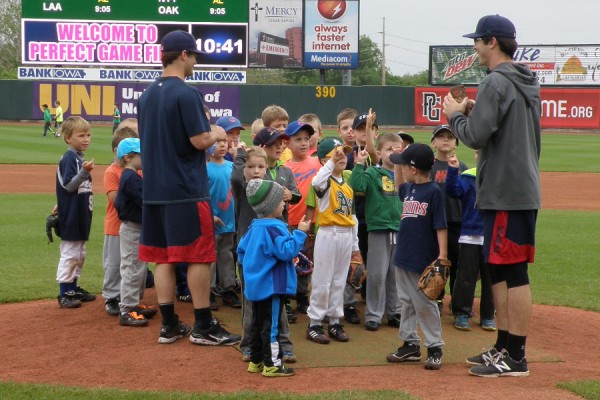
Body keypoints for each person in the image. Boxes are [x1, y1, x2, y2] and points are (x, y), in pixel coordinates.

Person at [443, 14, 541, 377]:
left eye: (478, 40)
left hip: (506, 193)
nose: (475, 46)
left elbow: (475, 137)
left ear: (492, 42)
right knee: (499, 269)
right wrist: (472, 110)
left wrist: (455, 116)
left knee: (513, 271)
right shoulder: (521, 79)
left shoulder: (496, 81)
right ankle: (503, 346)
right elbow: (497, 125)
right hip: (513, 190)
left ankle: (516, 356)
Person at [137, 30, 240, 345]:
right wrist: (215, 130)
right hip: (185, 189)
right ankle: (203, 326)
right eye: (194, 55)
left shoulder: (146, 95)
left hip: (154, 190)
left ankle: (169, 325)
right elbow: (198, 141)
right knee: (199, 257)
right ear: (183, 55)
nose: (195, 61)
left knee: (164, 257)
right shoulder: (187, 93)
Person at [232, 131, 300, 363]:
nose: (256, 171)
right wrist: (242, 154)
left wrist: (291, 196)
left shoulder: (276, 179)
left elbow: (294, 197)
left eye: (261, 167)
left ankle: (283, 343)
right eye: (251, 167)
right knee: (251, 303)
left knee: (276, 303)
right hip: (251, 254)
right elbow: (235, 175)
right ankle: (249, 344)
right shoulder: (244, 187)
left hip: (273, 251)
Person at [237, 179, 310, 377]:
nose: (284, 204)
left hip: (256, 285)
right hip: (272, 285)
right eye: (280, 202)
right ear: (269, 206)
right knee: (272, 326)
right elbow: (287, 251)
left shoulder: (253, 227)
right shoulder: (275, 227)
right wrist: (300, 234)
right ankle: (273, 364)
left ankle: (257, 361)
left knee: (257, 324)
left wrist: (255, 268)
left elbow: (241, 253)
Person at [386, 143, 447, 370]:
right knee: (406, 302)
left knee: (424, 303)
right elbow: (398, 183)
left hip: (423, 258)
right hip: (403, 255)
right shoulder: (410, 189)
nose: (400, 167)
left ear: (413, 169)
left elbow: (441, 226)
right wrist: (397, 164)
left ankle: (434, 347)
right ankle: (410, 344)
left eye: (403, 165)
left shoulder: (433, 192)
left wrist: (442, 255)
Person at [306, 137, 358, 345]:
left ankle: (335, 321)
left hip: (345, 235)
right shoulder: (324, 182)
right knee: (322, 280)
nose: (341, 157)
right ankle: (315, 323)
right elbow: (316, 182)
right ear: (323, 161)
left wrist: (356, 246)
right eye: (335, 154)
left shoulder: (347, 185)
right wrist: (329, 164)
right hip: (328, 232)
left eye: (343, 153)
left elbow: (352, 218)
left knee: (339, 281)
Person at [349, 133, 403, 331]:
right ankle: (373, 314)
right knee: (378, 274)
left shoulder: (405, 173)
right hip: (379, 228)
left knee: (395, 275)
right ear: (378, 152)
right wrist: (358, 165)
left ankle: (395, 311)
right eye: (389, 148)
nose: (394, 152)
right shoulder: (373, 172)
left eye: (398, 149)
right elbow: (356, 186)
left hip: (400, 229)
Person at [446, 150, 495, 331]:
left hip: (492, 236)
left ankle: (488, 315)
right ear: (476, 154)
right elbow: (453, 191)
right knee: (466, 276)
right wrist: (452, 171)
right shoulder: (467, 176)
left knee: (491, 279)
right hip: (470, 235)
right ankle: (461, 313)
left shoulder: (499, 175)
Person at [114, 138, 158, 327]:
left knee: (139, 268)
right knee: (132, 268)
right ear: (129, 157)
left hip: (136, 226)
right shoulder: (130, 177)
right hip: (132, 227)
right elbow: (143, 200)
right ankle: (127, 309)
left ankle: (134, 304)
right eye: (141, 154)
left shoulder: (133, 175)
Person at [54, 116, 97, 308]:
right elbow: (70, 186)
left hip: (81, 213)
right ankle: (65, 293)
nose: (86, 139)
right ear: (68, 138)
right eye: (81, 135)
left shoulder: (79, 158)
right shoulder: (69, 158)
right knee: (71, 253)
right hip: (71, 215)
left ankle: (73, 286)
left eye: (88, 135)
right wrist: (84, 172)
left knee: (80, 253)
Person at [429, 124, 468, 312]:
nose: (446, 139)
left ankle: (457, 299)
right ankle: (436, 296)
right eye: (441, 136)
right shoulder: (429, 167)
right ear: (433, 142)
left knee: (457, 262)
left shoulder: (463, 167)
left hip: (457, 220)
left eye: (450, 137)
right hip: (435, 222)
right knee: (437, 261)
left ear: (456, 143)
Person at [284, 120, 320, 319]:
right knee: (291, 260)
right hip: (292, 221)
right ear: (288, 143)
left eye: (306, 138)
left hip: (313, 220)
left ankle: (302, 296)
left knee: (307, 261)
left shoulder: (317, 162)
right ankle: (287, 298)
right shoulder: (286, 167)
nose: (303, 143)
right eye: (297, 139)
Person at [102, 126, 139, 316]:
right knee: (114, 264)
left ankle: (126, 296)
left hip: (134, 224)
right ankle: (111, 296)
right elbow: (115, 199)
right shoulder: (112, 171)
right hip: (116, 224)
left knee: (131, 263)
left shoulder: (136, 171)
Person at [207, 125, 241, 308]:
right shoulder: (206, 168)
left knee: (227, 254)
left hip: (229, 221)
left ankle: (228, 288)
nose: (222, 145)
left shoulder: (232, 166)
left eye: (223, 141)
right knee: (211, 256)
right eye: (216, 142)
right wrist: (209, 215)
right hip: (212, 221)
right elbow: (202, 196)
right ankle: (209, 289)